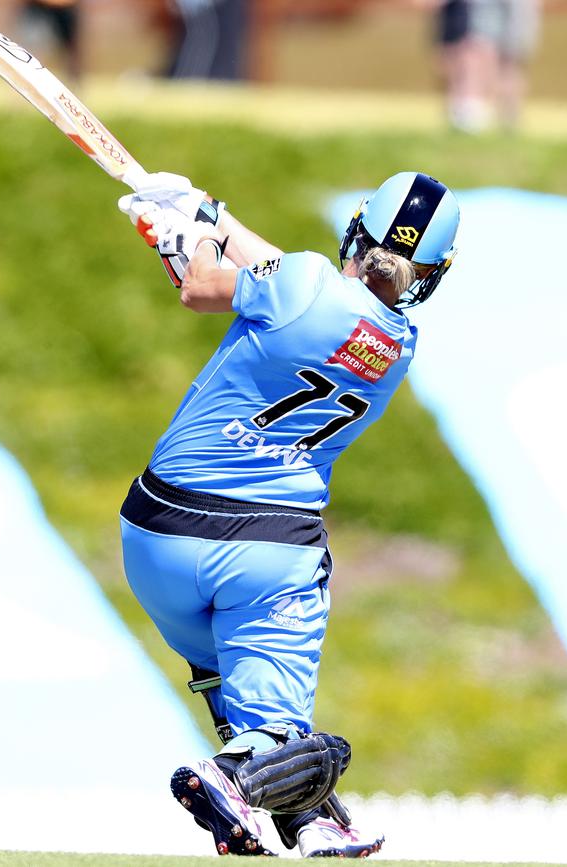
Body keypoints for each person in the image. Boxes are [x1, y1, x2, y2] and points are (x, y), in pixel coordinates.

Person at [117, 171, 460, 857]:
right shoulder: (396, 345)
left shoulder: (304, 282)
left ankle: (306, 813)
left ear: (355, 233)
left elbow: (200, 285)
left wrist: (193, 234)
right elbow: (294, 286)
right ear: (429, 276)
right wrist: (211, 213)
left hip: (154, 533)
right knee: (274, 716)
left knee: (240, 691)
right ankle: (235, 777)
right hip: (265, 552)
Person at [431, 0, 540, 132]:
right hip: (486, 12)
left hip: (512, 11)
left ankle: (506, 117)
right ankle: (474, 112)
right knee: (478, 56)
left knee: (509, 64)